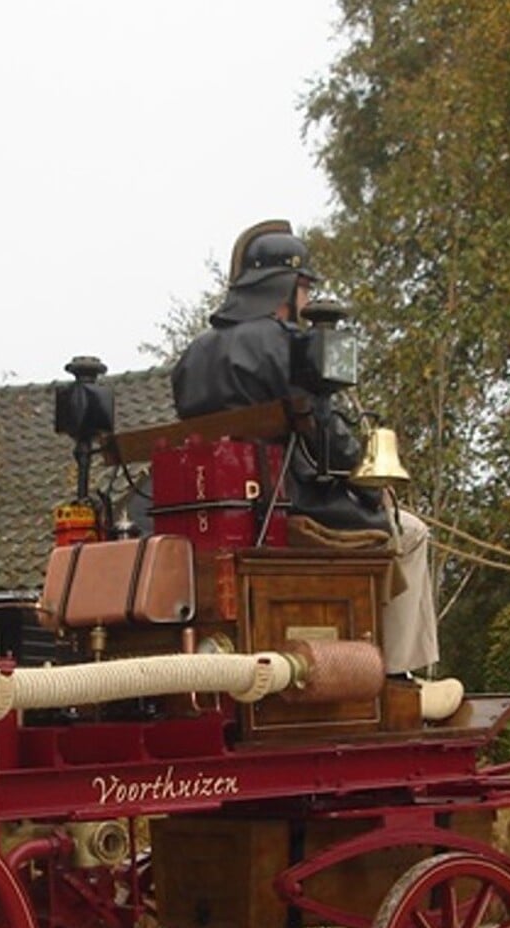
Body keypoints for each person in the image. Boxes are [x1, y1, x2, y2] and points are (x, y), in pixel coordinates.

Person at [171, 220, 439, 675]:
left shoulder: (193, 355)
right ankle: (398, 675)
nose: (308, 300)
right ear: (289, 287)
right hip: (289, 506)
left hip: (206, 511)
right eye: (306, 288)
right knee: (411, 532)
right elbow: (327, 436)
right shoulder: (292, 345)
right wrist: (373, 488)